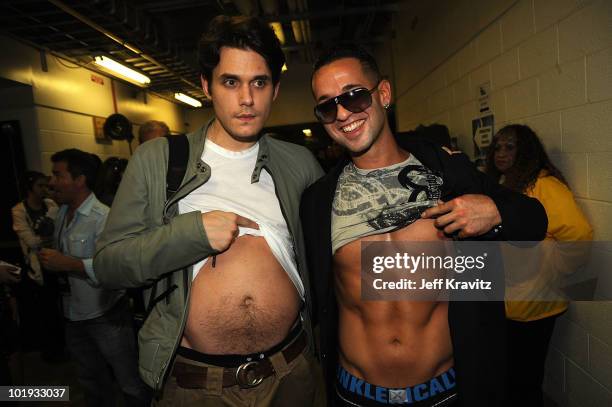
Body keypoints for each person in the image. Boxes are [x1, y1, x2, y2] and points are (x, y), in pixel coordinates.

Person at [300, 44, 548, 407]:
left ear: (383, 93)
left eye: (353, 96)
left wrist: (495, 212)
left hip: (445, 393)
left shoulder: (448, 172)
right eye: (327, 106)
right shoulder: (319, 201)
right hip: (356, 395)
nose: (342, 114)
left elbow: (535, 222)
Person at [94, 15, 324, 406]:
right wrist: (190, 235)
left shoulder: (299, 164)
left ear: (275, 89)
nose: (247, 99)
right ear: (207, 86)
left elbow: (336, 247)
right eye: (230, 82)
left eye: (259, 83)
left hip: (292, 373)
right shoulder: (159, 160)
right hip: (196, 386)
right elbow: (108, 265)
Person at [486, 124, 592, 407]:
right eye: (497, 147)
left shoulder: (544, 185)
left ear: (526, 151)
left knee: (525, 383)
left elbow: (579, 234)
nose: (501, 153)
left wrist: (557, 268)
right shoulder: (505, 184)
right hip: (509, 304)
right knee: (509, 378)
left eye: (510, 147)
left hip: (534, 306)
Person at [38, 149, 151, 407]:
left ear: (80, 180)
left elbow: (116, 267)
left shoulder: (104, 218)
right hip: (72, 314)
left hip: (105, 315)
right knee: (90, 380)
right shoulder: (60, 214)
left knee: (128, 382)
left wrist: (69, 264)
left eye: (58, 175)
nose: (51, 182)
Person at [11, 171, 64, 361]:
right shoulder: (19, 210)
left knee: (60, 307)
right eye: (40, 186)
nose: (44, 190)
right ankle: (51, 351)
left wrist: (46, 235)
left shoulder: (50, 205)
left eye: (46, 186)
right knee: (45, 309)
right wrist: (46, 237)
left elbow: (58, 231)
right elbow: (31, 241)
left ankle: (62, 347)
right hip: (37, 265)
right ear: (30, 187)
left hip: (56, 260)